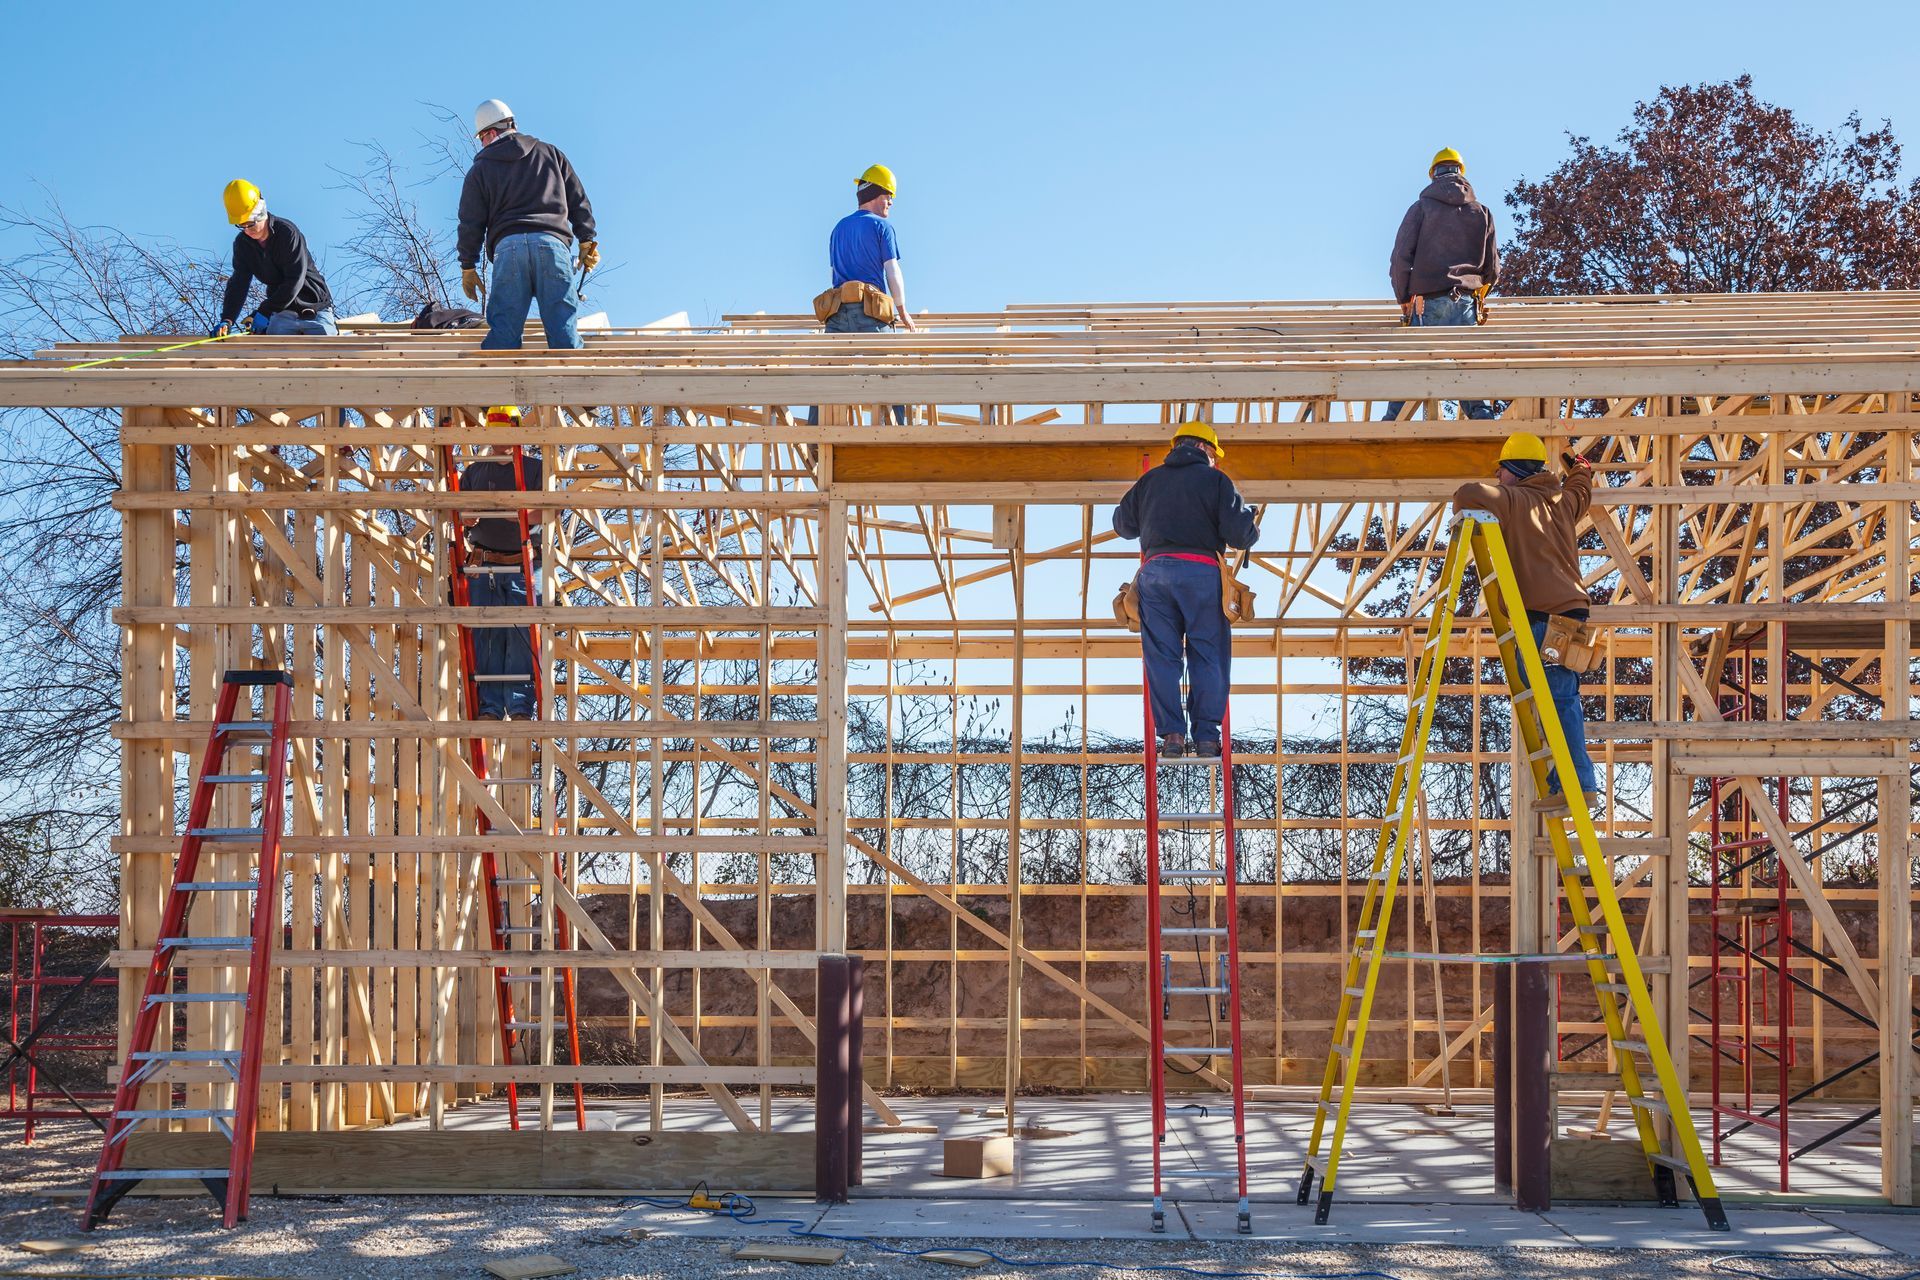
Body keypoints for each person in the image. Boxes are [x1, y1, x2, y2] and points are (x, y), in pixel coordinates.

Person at [1451, 432, 1596, 812]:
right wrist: (1580, 468)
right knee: (1551, 691)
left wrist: (1497, 493)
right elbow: (1581, 486)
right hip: (1570, 613)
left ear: (1513, 471)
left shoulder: (1514, 501)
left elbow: (1466, 494)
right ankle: (1563, 780)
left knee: (1559, 697)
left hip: (1545, 615)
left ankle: (1579, 782)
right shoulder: (1563, 502)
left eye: (1500, 472)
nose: (1497, 478)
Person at [1112, 423, 1261, 758]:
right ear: (1206, 450)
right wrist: (1251, 526)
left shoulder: (1150, 481)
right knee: (1208, 654)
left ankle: (1173, 737)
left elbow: (1123, 525)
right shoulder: (1216, 481)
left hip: (1156, 573)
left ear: (1177, 446)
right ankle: (1207, 737)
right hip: (1202, 573)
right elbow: (1239, 536)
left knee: (1161, 658)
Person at [457, 99, 598, 352]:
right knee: (563, 332)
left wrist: (468, 265)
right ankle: (572, 386)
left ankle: (500, 388)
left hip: (509, 250)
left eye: (481, 139)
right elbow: (578, 198)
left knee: (504, 336)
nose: (482, 145)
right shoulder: (551, 153)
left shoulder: (480, 170)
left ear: (490, 132)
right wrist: (586, 237)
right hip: (552, 245)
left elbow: (470, 222)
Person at [1384, 147, 1500, 422]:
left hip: (1427, 302)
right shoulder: (1482, 212)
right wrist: (1480, 296)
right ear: (1461, 173)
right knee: (1467, 373)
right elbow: (1493, 268)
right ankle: (1486, 426)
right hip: (1466, 304)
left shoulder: (1420, 208)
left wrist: (1404, 299)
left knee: (1412, 370)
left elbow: (1400, 258)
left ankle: (1390, 427)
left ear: (1433, 175)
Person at [458, 406, 544, 719]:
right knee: (488, 635)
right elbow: (462, 513)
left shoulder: (533, 469)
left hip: (523, 565)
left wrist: (521, 514)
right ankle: (491, 707)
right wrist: (468, 518)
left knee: (522, 635)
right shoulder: (474, 472)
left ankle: (520, 706)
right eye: (494, 432)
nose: (499, 439)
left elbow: (550, 510)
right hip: (484, 563)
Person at [213, 180, 337, 337]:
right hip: (282, 313)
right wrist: (228, 319)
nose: (246, 230)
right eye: (241, 225)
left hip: (314, 309)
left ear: (261, 212)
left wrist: (264, 311)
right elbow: (239, 283)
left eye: (250, 224)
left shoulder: (287, 233)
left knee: (327, 356)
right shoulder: (242, 245)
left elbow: (294, 280)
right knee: (275, 359)